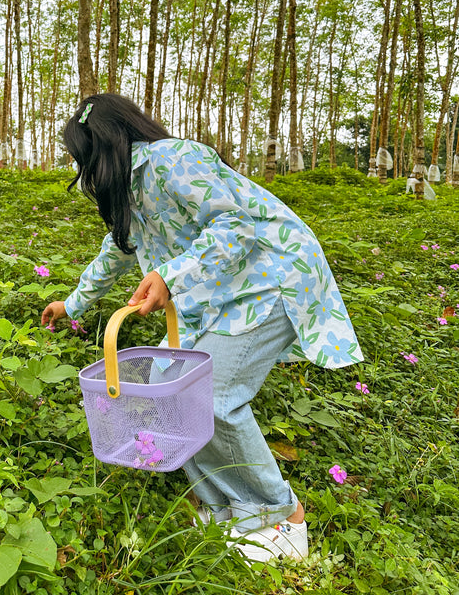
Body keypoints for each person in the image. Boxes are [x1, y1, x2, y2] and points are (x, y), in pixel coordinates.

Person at [42, 93, 363, 564]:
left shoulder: (175, 159)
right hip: (216, 291)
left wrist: (169, 276)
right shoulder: (129, 188)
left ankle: (281, 515)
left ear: (105, 144)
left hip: (269, 277)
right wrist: (71, 303)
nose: (86, 172)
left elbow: (236, 227)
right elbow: (118, 251)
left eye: (84, 158)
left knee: (213, 397)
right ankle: (229, 508)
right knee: (168, 388)